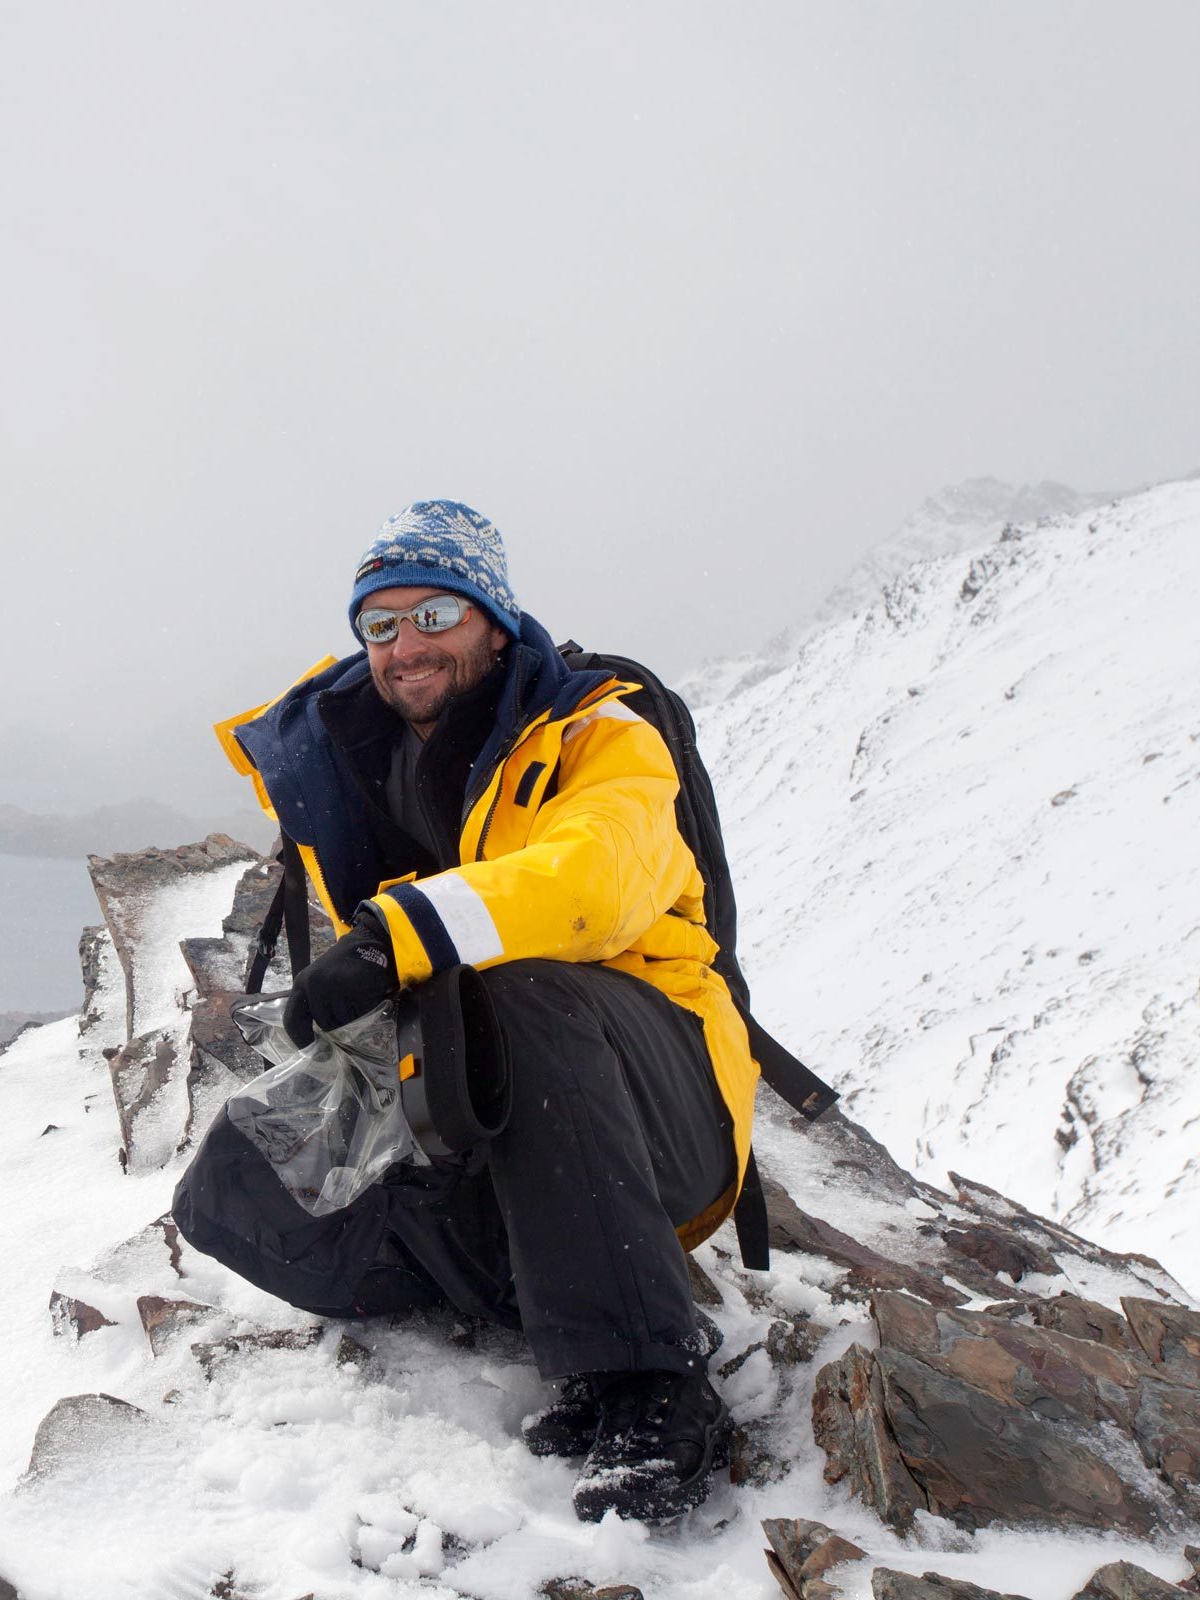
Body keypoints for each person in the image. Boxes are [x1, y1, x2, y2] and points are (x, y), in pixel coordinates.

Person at [172, 499, 762, 1524]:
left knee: (515, 986)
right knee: (227, 1191)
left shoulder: (601, 735)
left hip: (656, 1100)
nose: (406, 646)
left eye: (433, 613)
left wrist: (398, 931)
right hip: (503, 1108)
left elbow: (595, 881)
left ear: (492, 615)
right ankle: (532, 1275)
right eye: (381, 624)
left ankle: (647, 1381)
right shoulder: (356, 754)